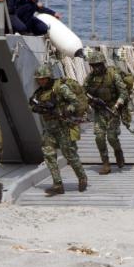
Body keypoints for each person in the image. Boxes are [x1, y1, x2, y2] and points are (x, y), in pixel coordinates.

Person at [30, 65, 88, 196]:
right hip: (49, 128)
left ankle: (82, 178)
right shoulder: (39, 92)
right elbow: (32, 104)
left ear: (48, 77)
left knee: (70, 155)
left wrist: (66, 111)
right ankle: (57, 184)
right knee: (49, 155)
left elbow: (75, 102)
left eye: (43, 79)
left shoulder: (60, 88)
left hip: (63, 126)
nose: (40, 81)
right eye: (39, 79)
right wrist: (38, 108)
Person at [84, 51, 128, 175]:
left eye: (98, 64)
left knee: (112, 137)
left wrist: (117, 104)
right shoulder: (90, 77)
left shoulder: (113, 75)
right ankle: (106, 163)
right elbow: (83, 91)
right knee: (99, 137)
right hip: (99, 111)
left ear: (103, 63)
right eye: (93, 65)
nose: (96, 68)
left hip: (113, 110)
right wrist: (89, 101)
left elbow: (123, 92)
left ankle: (118, 152)